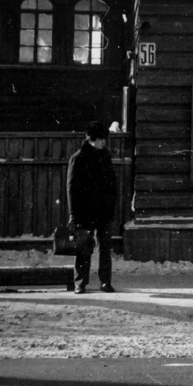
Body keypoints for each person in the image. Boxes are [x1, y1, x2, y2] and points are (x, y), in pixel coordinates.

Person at [67, 121, 118, 293]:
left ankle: (105, 281)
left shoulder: (106, 157)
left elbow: (112, 184)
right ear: (92, 139)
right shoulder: (78, 158)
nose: (104, 142)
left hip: (103, 210)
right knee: (83, 247)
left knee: (105, 247)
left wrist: (111, 205)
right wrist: (74, 215)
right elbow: (72, 190)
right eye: (101, 139)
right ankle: (80, 282)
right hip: (85, 211)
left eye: (104, 139)